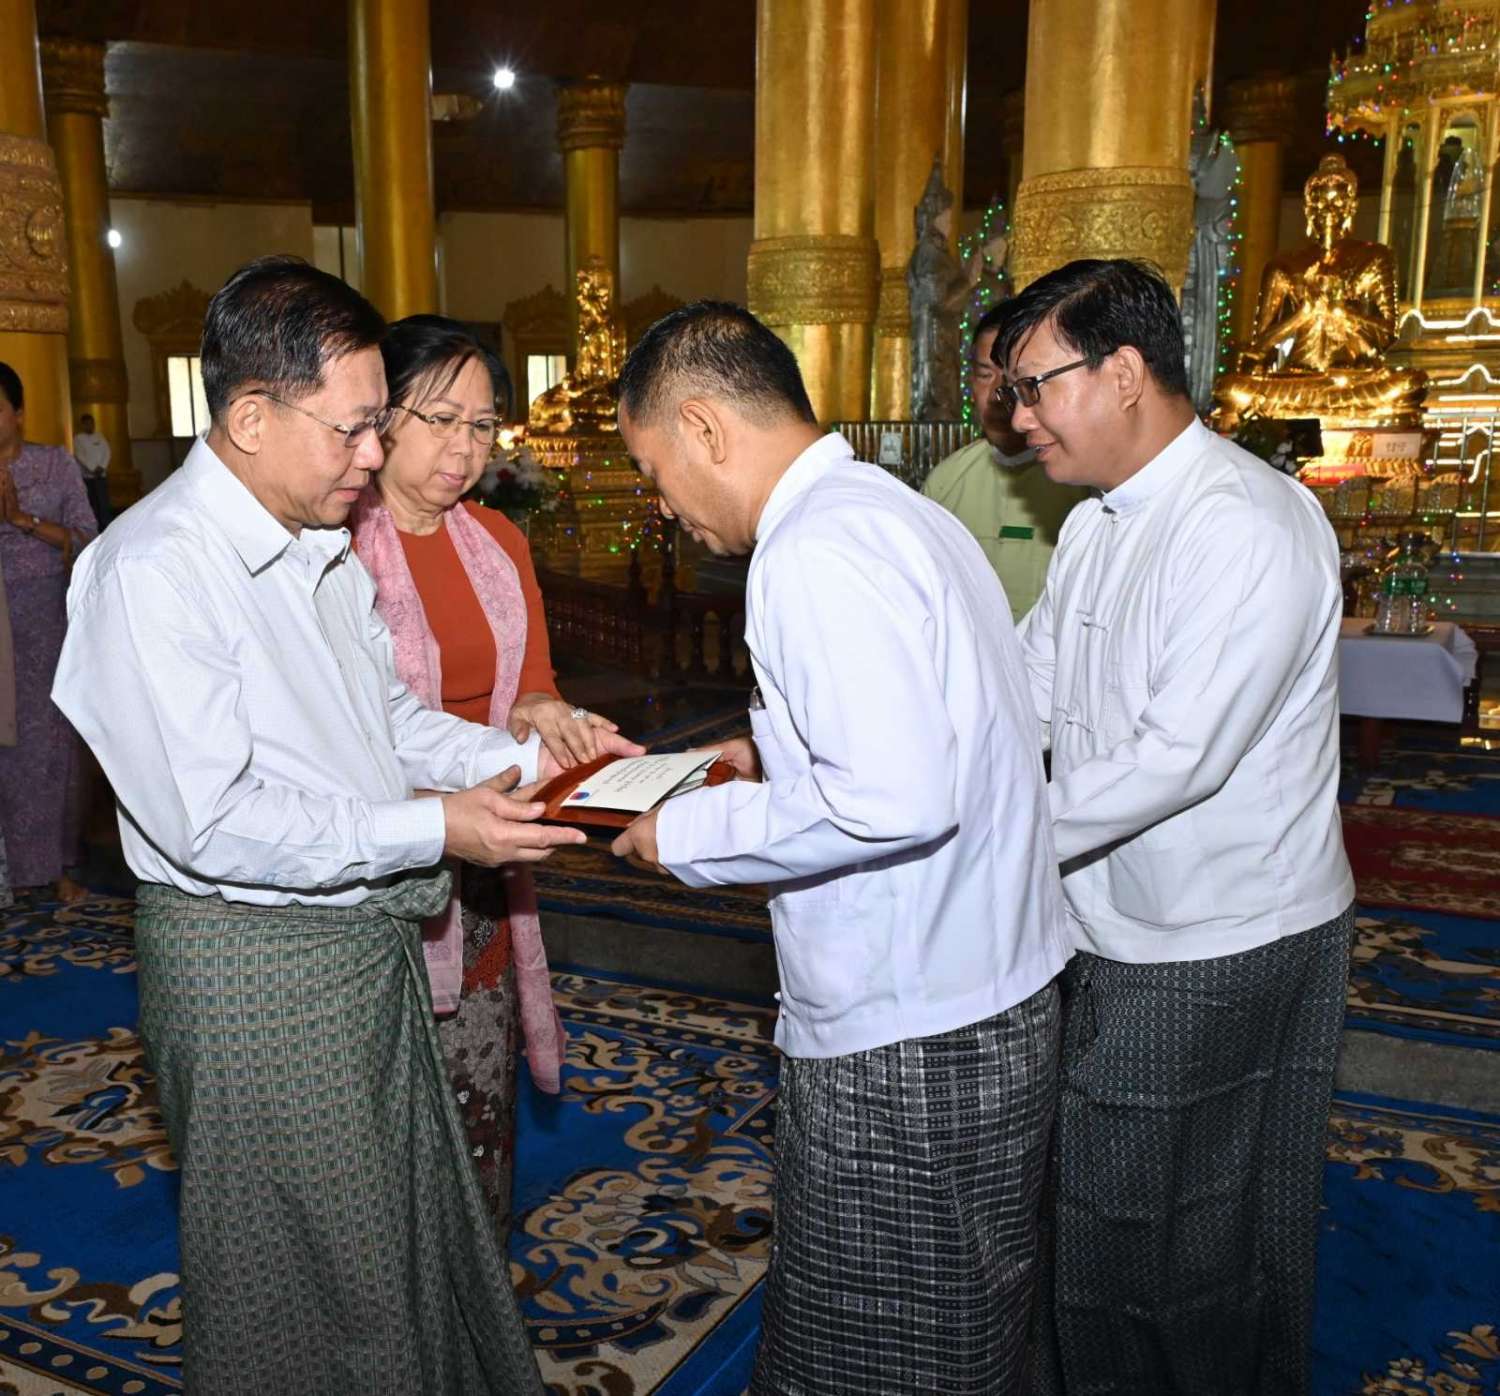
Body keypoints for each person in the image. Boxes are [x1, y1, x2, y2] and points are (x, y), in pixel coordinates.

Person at [51, 256, 636, 1395]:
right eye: (357, 427)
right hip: (253, 970)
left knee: (392, 1238)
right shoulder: (155, 570)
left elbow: (388, 722)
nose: (376, 455)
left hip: (357, 943)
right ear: (251, 418)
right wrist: (434, 831)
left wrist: (538, 762)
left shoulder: (312, 541)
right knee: (298, 1271)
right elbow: (212, 822)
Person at [610, 302, 1071, 1395]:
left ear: (703, 427)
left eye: (654, 471)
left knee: (889, 1347)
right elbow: (931, 723)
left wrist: (681, 832)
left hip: (910, 1029)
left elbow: (892, 797)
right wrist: (765, 751)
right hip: (982, 983)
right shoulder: (895, 509)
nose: (663, 505)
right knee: (961, 1318)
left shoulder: (812, 550)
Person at [997, 259, 1356, 1396]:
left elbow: (1179, 757)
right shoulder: (1097, 523)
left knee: (1193, 1227)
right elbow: (1025, 687)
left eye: (1035, 386)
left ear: (1124, 372)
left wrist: (987, 839)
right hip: (1111, 912)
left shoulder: (1246, 521)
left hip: (1225, 929)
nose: (1018, 416)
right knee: (1117, 1208)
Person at [352, 312, 642, 1239]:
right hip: (369, 856)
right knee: (377, 1105)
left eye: (482, 425)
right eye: (440, 420)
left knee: (474, 1085)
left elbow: (529, 686)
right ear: (381, 415)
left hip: (485, 851)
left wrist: (548, 713)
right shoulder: (334, 546)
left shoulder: (497, 541)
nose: (465, 448)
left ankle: (473, 1280)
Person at [922, 302, 1087, 623]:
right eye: (985, 375)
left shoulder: (1080, 482)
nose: (998, 393)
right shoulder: (945, 483)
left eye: (1015, 378)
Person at [0, 362, 96, 904]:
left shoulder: (54, 464)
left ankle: (56, 867)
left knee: (48, 746)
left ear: (18, 412)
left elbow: (87, 538)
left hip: (42, 621)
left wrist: (23, 521)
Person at [73, 412, 112, 527]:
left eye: (91, 423)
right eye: (87, 424)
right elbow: (80, 456)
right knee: (91, 503)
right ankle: (93, 527)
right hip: (88, 477)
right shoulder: (78, 438)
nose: (90, 426)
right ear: (83, 425)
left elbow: (107, 452)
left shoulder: (100, 436)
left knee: (103, 502)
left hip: (101, 475)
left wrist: (102, 467)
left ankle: (106, 525)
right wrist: (92, 469)